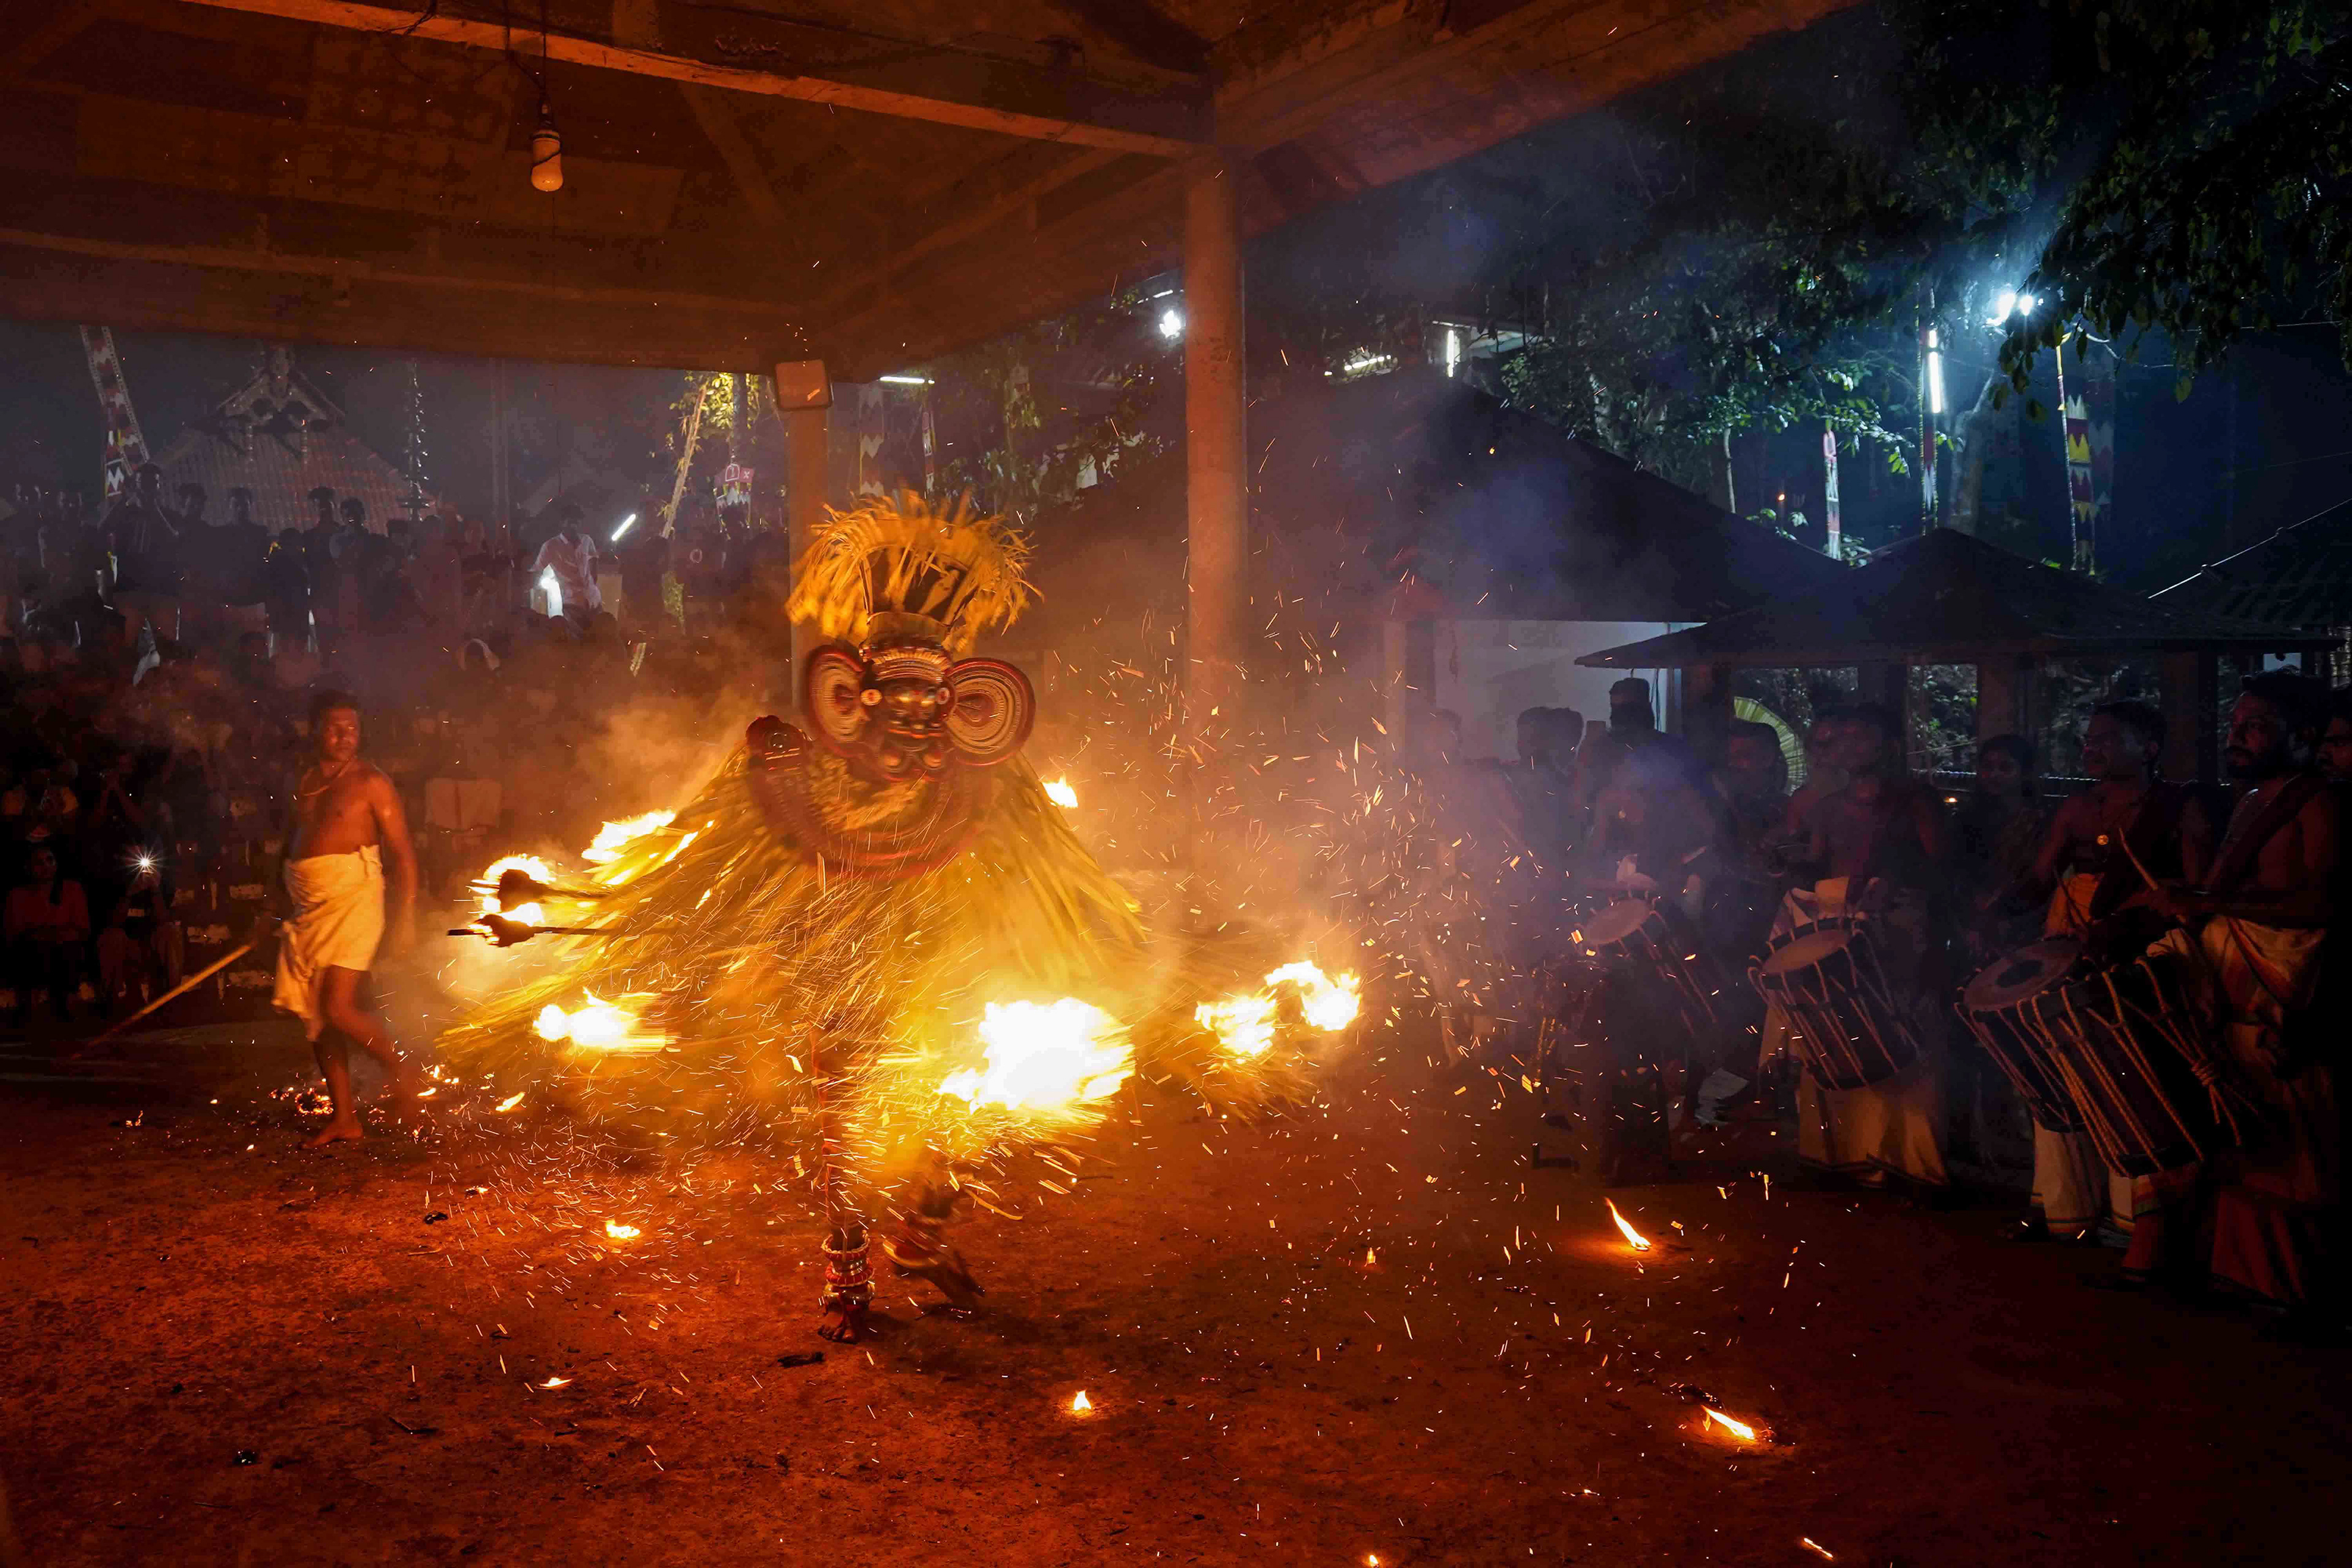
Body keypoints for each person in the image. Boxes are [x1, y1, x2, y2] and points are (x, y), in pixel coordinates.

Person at [2138, 673, 2340, 1319]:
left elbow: (2326, 904)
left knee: (2289, 1139)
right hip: (2232, 996)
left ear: (2302, 738)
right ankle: (2237, 1276)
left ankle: (2296, 1293)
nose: (2238, 737)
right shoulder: (2253, 799)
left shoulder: (2319, 803)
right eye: (2236, 725)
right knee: (2235, 1131)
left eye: (2255, 726)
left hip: (2283, 997)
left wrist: (2211, 902)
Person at [1997, 704, 2212, 1244]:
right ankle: (2063, 1206)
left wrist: (2134, 919)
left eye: (2109, 739)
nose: (2092, 748)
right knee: (2062, 1074)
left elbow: (2196, 893)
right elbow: (2041, 880)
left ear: (2150, 750)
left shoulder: (2178, 809)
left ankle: (2136, 1222)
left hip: (2142, 955)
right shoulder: (2076, 809)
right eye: (2090, 739)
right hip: (2070, 944)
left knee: (2129, 1079)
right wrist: (1990, 918)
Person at [1771, 703, 1953, 1193]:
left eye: (1862, 738)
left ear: (1888, 746)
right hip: (1837, 933)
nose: (1850, 749)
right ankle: (1837, 1156)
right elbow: (1814, 867)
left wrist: (1894, 889)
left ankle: (1914, 1165)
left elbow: (1943, 870)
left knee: (1901, 1036)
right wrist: (1785, 867)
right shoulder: (1826, 807)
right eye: (1842, 739)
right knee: (1835, 1033)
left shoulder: (1916, 803)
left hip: (1898, 934)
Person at [273, 690, 420, 1147]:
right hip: (308, 905)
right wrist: (270, 906)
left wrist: (406, 917)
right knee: (318, 1016)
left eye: (352, 728)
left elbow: (404, 855)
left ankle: (404, 1069)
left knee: (338, 1006)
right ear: (316, 729)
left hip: (355, 897)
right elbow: (287, 845)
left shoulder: (372, 782)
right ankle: (344, 1118)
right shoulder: (303, 781)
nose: (345, 736)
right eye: (335, 728)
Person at [4, 840, 90, 1025]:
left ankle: (65, 1008)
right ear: (28, 868)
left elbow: (81, 929)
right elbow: (16, 933)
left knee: (68, 950)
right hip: (33, 950)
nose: (46, 867)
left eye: (50, 860)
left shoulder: (72, 889)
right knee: (29, 950)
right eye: (39, 862)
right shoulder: (18, 895)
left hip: (65, 948)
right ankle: (28, 1011)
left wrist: (51, 934)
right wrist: (51, 934)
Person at [104, 463, 183, 652]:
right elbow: (103, 528)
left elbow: (174, 541)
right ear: (136, 485)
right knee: (127, 648)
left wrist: (153, 509)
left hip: (161, 591)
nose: (147, 488)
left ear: (159, 486)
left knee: (167, 648)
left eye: (152, 483)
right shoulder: (125, 513)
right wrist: (124, 500)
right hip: (130, 589)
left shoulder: (169, 515)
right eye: (143, 483)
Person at [530, 505, 601, 622]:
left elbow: (594, 561)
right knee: (576, 638)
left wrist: (592, 584)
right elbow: (537, 570)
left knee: (601, 636)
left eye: (577, 522)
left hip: (594, 600)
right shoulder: (551, 546)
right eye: (571, 522)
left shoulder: (587, 541)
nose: (574, 525)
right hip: (572, 603)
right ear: (562, 523)